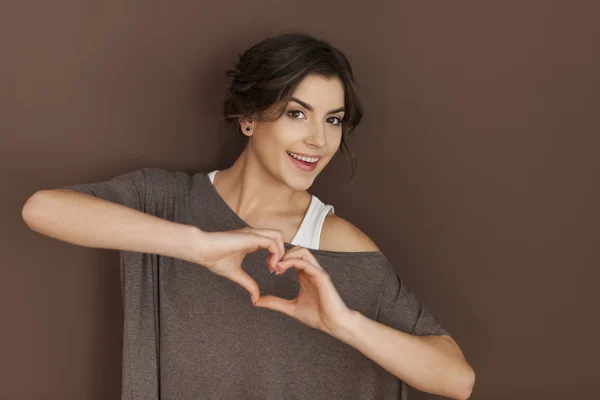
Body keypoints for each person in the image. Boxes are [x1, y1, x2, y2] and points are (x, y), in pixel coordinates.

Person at [21, 32, 474, 400]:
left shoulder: (341, 246)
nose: (318, 139)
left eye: (333, 120)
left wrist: (345, 324)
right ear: (249, 118)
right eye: (298, 113)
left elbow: (457, 380)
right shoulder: (164, 202)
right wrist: (196, 246)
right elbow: (43, 209)